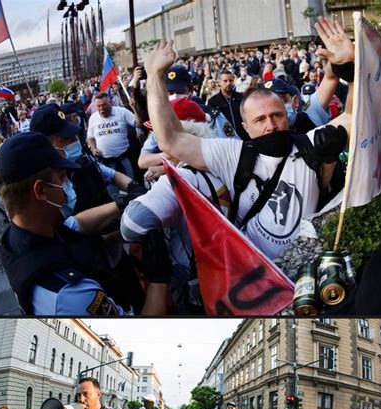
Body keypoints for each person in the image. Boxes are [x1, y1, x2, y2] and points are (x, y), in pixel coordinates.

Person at [143, 25, 353, 264]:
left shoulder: (309, 145)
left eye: (276, 115)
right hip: (254, 277)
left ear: (286, 115)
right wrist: (154, 77)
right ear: (245, 127)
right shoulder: (232, 154)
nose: (271, 125)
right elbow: (170, 140)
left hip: (307, 272)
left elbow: (354, 117)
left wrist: (352, 69)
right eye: (260, 119)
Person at [0, 133, 146, 316]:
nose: (67, 186)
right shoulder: (71, 294)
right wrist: (159, 278)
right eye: (61, 178)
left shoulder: (23, 232)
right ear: (41, 190)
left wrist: (122, 204)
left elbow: (76, 224)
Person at [86, 92, 139, 179]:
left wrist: (135, 108)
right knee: (112, 189)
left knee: (132, 183)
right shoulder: (93, 118)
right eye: (98, 106)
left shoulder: (121, 112)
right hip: (107, 162)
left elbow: (138, 124)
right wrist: (93, 148)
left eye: (104, 105)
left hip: (125, 157)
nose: (101, 108)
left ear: (109, 103)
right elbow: (90, 137)